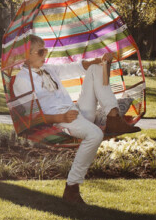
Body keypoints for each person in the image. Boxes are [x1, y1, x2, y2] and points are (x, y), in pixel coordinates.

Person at [12, 35, 139, 205]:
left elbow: (76, 67)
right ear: (26, 55)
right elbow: (31, 116)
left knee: (95, 68)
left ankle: (113, 116)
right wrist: (60, 117)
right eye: (41, 52)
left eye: (46, 50)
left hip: (77, 112)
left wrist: (99, 60)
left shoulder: (48, 69)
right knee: (94, 135)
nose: (45, 55)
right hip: (61, 121)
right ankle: (72, 187)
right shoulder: (22, 81)